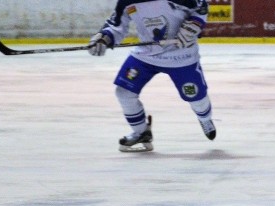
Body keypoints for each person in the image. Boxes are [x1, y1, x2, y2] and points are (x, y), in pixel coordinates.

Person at [88, 0, 216, 153]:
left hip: (181, 54)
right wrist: (104, 37)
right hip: (146, 54)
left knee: (195, 97)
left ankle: (205, 119)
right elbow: (116, 25)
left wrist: (194, 25)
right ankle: (141, 133)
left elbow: (201, 7)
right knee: (124, 92)